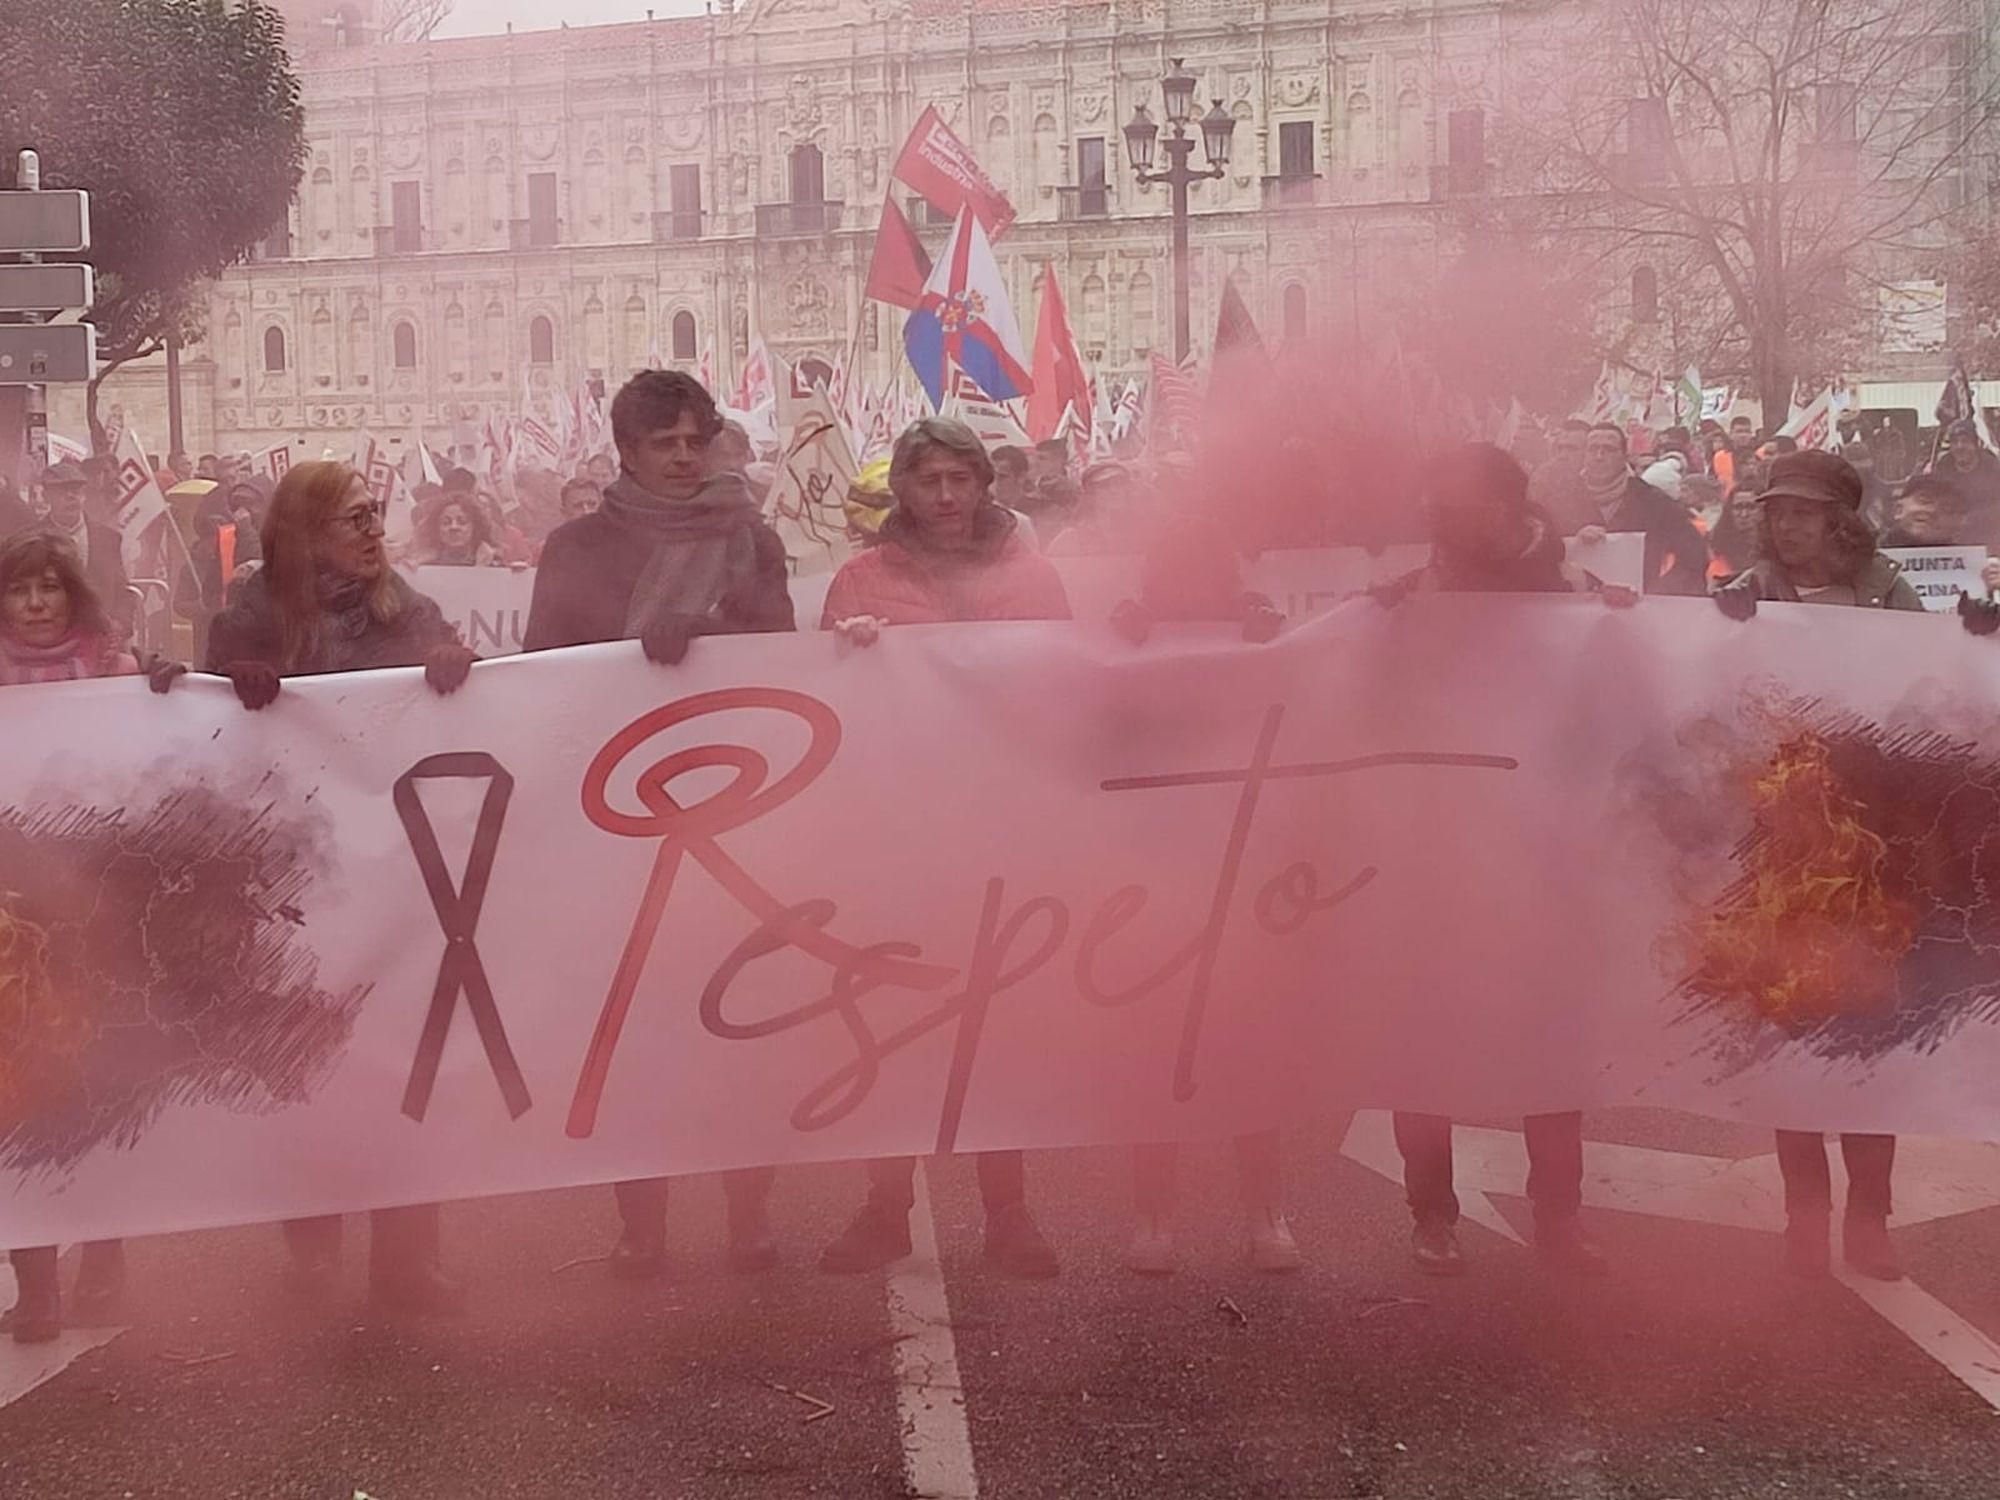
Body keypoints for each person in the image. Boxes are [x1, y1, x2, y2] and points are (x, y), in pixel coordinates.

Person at [524, 369, 792, 1278]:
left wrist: (703, 640)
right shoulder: (576, 547)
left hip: (733, 804)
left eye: (694, 442)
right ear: (627, 453)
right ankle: (643, 1225)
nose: (683, 459)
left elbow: (783, 659)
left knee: (740, 1019)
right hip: (616, 817)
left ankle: (749, 1213)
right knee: (631, 1031)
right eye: (663, 445)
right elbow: (543, 671)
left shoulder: (752, 541)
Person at [197, 461, 477, 1315]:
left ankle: (405, 1252)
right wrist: (221, 688)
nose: (372, 531)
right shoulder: (248, 621)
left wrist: (457, 670)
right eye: (354, 518)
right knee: (307, 1061)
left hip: (395, 872)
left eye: (376, 514)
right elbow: (206, 739)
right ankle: (312, 1238)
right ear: (303, 533)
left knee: (401, 1059)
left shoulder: (411, 612)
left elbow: (479, 712)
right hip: (292, 881)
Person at [816, 417, 1066, 1280]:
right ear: (906, 491)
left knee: (996, 1029)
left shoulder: (1034, 580)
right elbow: (825, 704)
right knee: (884, 1024)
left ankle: (1010, 1213)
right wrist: (845, 653)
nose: (948, 497)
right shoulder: (859, 580)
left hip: (997, 831)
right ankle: (884, 1208)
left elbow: (1065, 691)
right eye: (931, 482)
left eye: (963, 479)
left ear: (984, 487)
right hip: (896, 835)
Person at [1377, 443, 1624, 1278]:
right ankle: (1431, 1214)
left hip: (1546, 859)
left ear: (1514, 508)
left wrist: (1630, 624)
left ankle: (1560, 1215)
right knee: (1426, 1044)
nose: (1460, 522)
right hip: (1441, 857)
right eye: (1448, 507)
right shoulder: (1417, 596)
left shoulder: (1575, 594)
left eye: (1474, 504)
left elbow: (1620, 695)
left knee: (1550, 1046)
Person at [1710, 451, 1924, 1279]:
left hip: (1875, 842)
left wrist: (1973, 631)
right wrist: (1716, 623)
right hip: (1786, 849)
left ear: (1839, 520)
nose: (1786, 525)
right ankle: (1806, 1217)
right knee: (1794, 1035)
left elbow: (1933, 674)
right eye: (1777, 511)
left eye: (1802, 512)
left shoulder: (1887, 589)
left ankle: (1870, 1219)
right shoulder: (1751, 592)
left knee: (1873, 1036)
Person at [0, 532, 162, 1343]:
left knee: (92, 1085)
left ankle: (104, 1252)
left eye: (48, 589)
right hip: (7, 914)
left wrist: (165, 687)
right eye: (18, 590)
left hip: (91, 911)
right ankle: (35, 1280)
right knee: (13, 1095)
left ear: (72, 596)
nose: (34, 605)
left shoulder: (112, 671)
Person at [1577, 422, 1707, 594]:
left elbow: (1694, 556)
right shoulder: (1562, 499)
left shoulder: (1653, 501)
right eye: (1593, 449)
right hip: (1577, 610)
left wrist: (1659, 591)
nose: (1599, 456)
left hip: (1640, 609)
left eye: (1609, 449)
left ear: (1625, 455)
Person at [37, 461, 130, 631]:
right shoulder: (32, 539)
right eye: (62, 491)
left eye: (76, 490)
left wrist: (121, 624)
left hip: (99, 633)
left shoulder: (109, 538)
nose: (71, 496)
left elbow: (121, 588)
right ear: (46, 496)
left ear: (84, 495)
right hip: (50, 634)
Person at [1929, 421, 2000, 545]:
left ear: (1976, 444)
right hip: (1952, 536)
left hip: (1988, 536)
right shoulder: (1943, 467)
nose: (1960, 446)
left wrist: (1970, 519)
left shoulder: (1993, 467)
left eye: (1965, 441)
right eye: (1955, 442)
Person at [408, 491, 504, 567]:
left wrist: (516, 576)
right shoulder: (423, 566)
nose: (454, 527)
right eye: (446, 522)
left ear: (476, 528)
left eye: (462, 522)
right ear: (436, 529)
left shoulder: (494, 565)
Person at [1879, 473, 1971, 550]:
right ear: (1898, 509)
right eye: (1924, 501)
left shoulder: (1971, 563)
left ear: (1958, 523)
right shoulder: (1868, 552)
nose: (1933, 510)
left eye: (1947, 508)